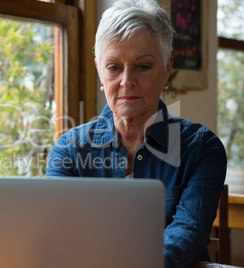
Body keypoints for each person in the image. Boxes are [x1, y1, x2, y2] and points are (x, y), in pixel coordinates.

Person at [46, 0, 227, 267]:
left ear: (167, 68)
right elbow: (59, 235)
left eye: (143, 66)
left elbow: (185, 237)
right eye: (113, 67)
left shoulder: (201, 148)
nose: (127, 80)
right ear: (99, 71)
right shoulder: (69, 151)